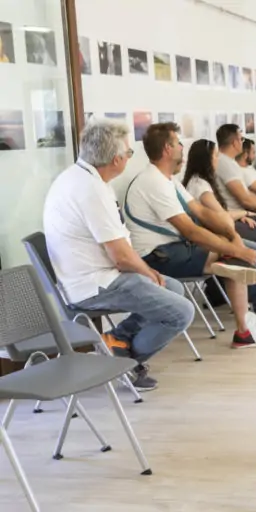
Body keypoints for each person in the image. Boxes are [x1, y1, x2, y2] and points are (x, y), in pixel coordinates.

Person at [43, 119, 194, 391]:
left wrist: (150, 275)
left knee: (174, 289)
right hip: (94, 284)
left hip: (95, 275)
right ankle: (123, 363)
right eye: (129, 154)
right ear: (116, 160)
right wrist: (148, 272)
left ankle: (116, 339)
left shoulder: (81, 177)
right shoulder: (91, 190)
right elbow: (121, 256)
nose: (129, 158)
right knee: (181, 312)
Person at [123, 122, 256, 351]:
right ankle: (247, 327)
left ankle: (245, 330)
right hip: (157, 257)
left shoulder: (168, 180)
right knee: (235, 257)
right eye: (178, 143)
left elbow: (202, 212)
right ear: (167, 149)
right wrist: (237, 249)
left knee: (235, 253)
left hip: (174, 249)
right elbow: (190, 230)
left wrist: (232, 236)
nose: (182, 147)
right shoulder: (152, 182)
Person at [182, 139, 256, 245]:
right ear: (206, 160)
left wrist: (242, 216)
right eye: (215, 156)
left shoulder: (202, 180)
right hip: (220, 227)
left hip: (230, 220)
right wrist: (245, 213)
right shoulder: (200, 186)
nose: (218, 159)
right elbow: (222, 215)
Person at [214, 124, 256, 218]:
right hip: (239, 215)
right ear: (235, 143)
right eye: (241, 139)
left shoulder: (230, 162)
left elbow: (247, 195)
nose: (242, 142)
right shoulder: (225, 164)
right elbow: (245, 200)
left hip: (245, 212)